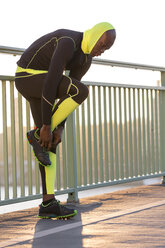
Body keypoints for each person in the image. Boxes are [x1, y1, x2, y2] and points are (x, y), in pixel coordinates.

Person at [15, 22, 116, 219]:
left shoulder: (85, 59)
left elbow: (65, 96)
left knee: (48, 141)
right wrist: (46, 125)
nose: (102, 51)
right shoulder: (68, 42)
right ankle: (37, 133)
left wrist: (58, 128)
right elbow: (52, 83)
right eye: (102, 45)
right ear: (95, 35)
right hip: (27, 77)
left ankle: (48, 202)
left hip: (43, 83)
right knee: (82, 91)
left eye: (106, 49)